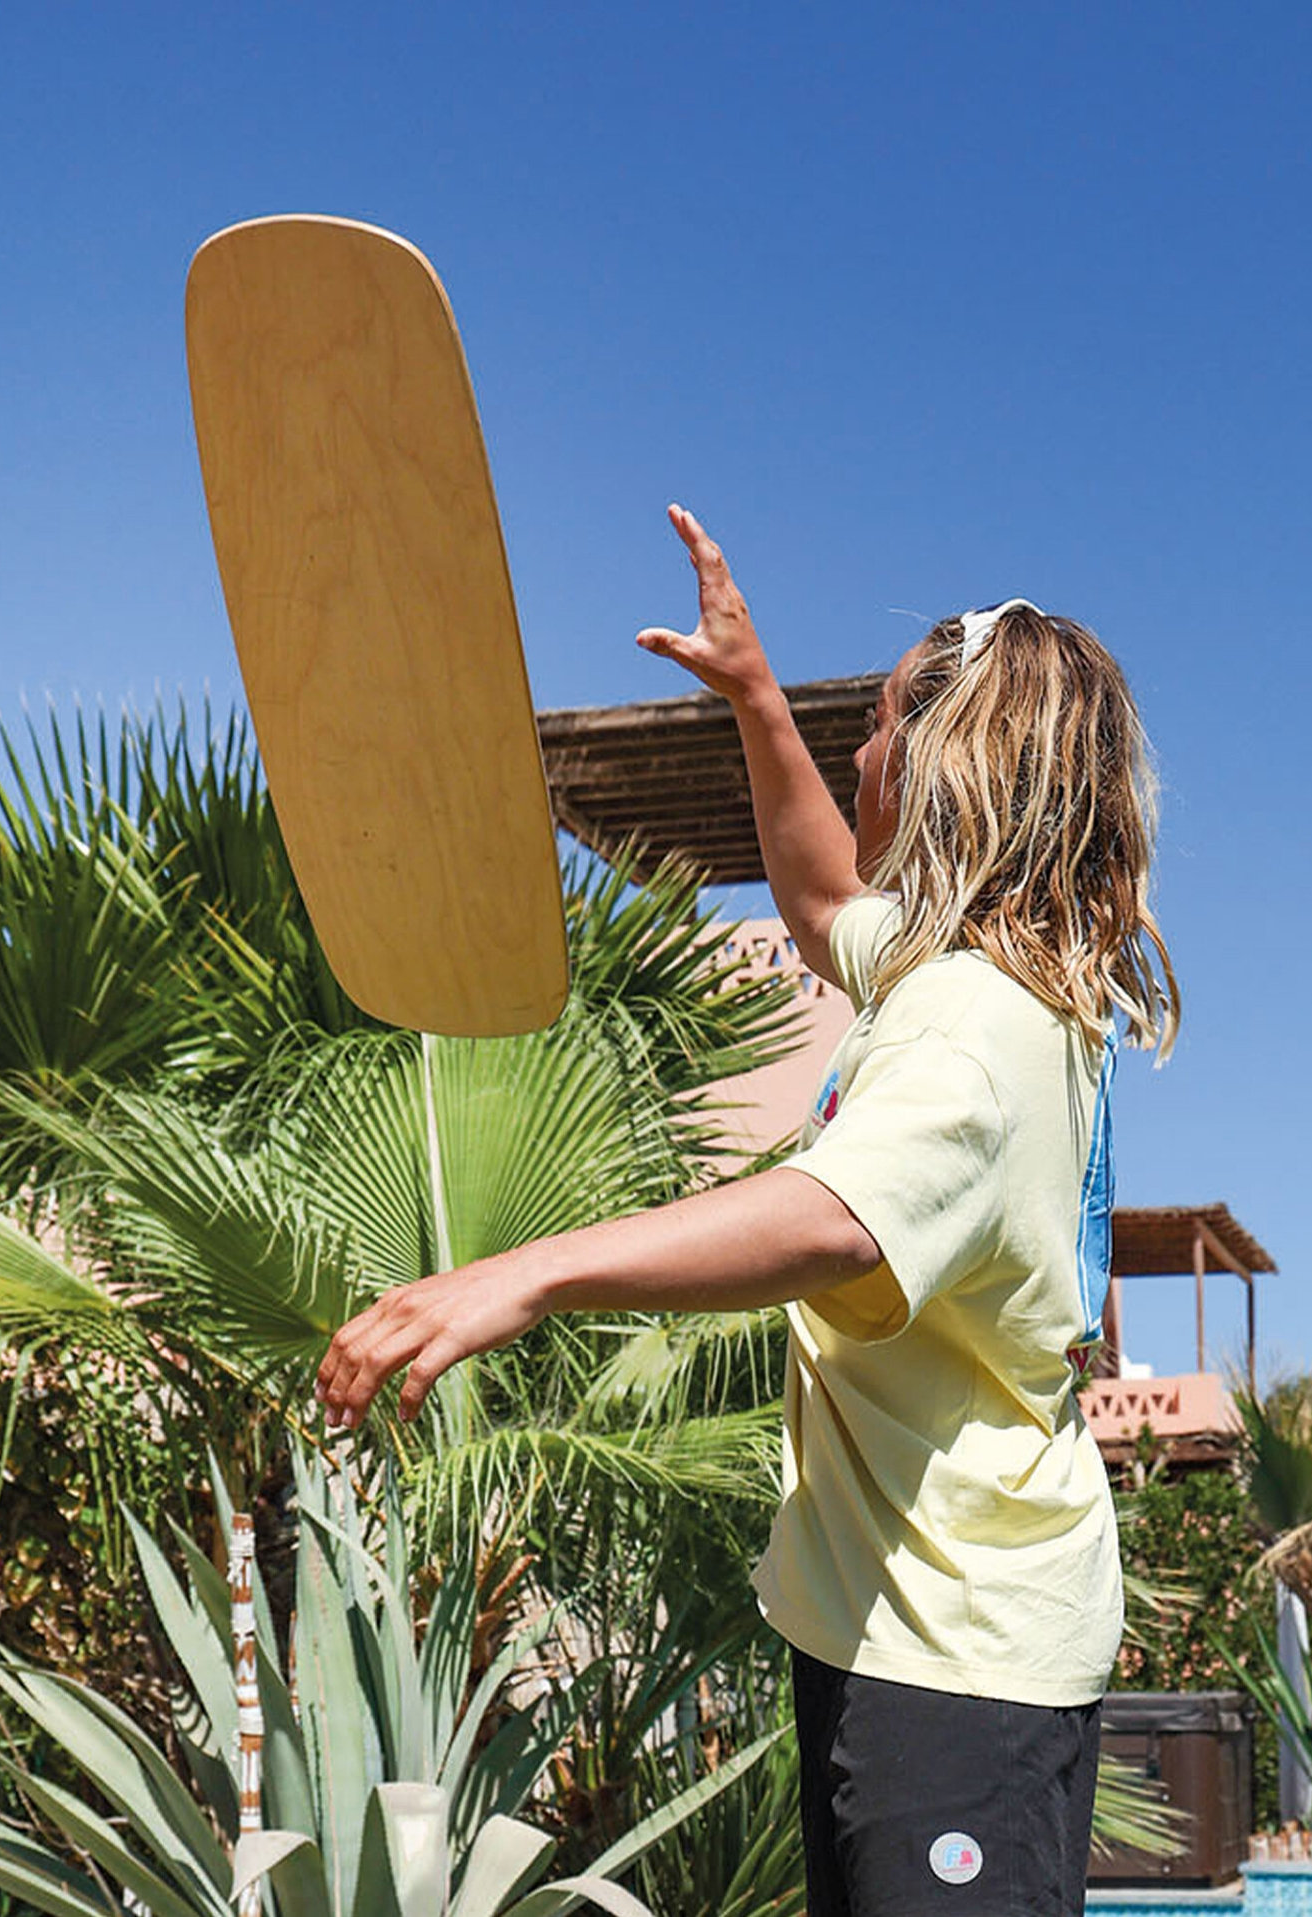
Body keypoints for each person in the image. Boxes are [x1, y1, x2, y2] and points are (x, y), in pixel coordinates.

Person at [316, 502, 1180, 1916]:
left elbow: (832, 1217)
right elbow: (820, 895)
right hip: (904, 1628)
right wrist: (756, 698)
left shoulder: (971, 1022)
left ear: (946, 766)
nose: (859, 758)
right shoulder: (961, 973)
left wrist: (524, 1274)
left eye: (877, 730)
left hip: (956, 1660)